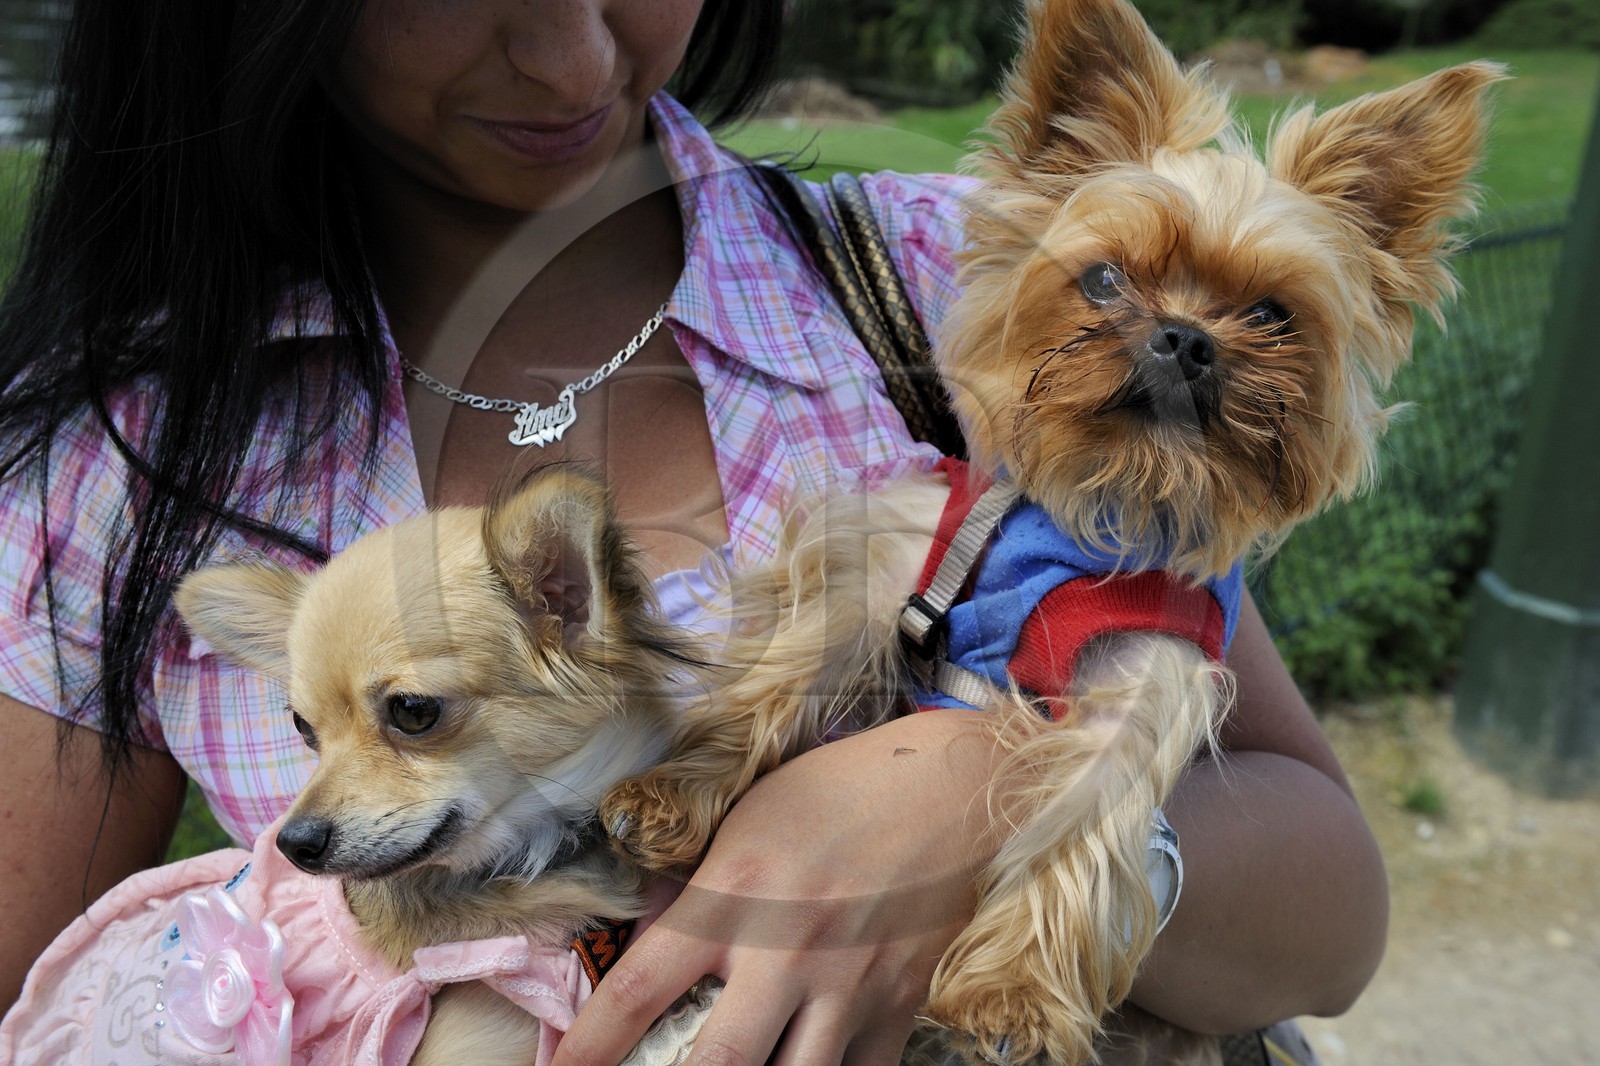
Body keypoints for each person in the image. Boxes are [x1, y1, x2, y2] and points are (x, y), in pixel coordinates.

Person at [0, 0, 1388, 1061]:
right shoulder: (120, 465)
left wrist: (990, 789)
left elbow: (1330, 918)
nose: (569, 53)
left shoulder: (961, 287)